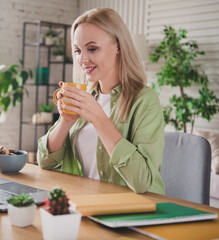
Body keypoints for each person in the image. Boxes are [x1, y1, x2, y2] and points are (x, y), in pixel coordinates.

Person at [37, 8, 165, 194]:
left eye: (92, 49)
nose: (82, 59)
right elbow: (45, 161)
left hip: (130, 212)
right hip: (85, 204)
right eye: (77, 50)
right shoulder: (87, 96)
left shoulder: (145, 101)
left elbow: (142, 182)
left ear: (118, 47)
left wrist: (99, 119)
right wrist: (65, 122)